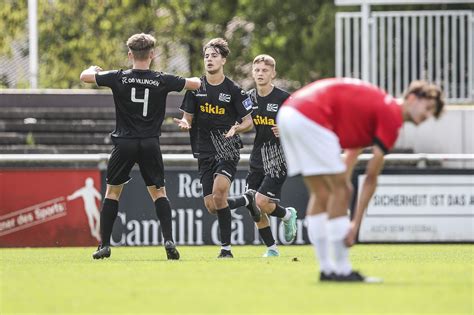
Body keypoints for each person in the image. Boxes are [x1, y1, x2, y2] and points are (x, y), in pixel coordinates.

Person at [277, 78, 444, 282]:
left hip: (289, 113)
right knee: (340, 190)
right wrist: (355, 225)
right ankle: (342, 269)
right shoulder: (391, 115)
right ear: (411, 98)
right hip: (310, 116)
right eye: (427, 108)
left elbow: (349, 160)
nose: (427, 116)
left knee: (322, 193)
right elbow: (371, 178)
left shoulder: (374, 112)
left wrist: (343, 200)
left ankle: (327, 270)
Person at [79, 33, 201, 260]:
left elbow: (85, 77)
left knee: (112, 193)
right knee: (159, 193)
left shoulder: (118, 77)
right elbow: (195, 83)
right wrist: (195, 78)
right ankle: (168, 240)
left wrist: (94, 69)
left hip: (124, 143)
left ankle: (104, 245)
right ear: (152, 54)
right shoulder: (162, 79)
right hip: (149, 143)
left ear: (129, 54)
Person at [174, 38, 253, 258]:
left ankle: (226, 249)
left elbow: (249, 121)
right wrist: (185, 123)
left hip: (227, 148)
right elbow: (187, 117)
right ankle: (247, 200)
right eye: (207, 56)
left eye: (214, 55)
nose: (209, 59)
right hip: (204, 150)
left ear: (223, 60)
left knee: (220, 195)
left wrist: (236, 130)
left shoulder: (234, 90)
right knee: (211, 205)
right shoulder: (195, 88)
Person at [226, 54, 297, 257]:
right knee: (254, 207)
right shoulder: (249, 98)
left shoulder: (284, 98)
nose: (260, 73)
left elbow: (302, 123)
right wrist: (233, 128)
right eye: (257, 70)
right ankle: (272, 249)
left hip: (278, 158)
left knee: (261, 201)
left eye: (265, 70)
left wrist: (287, 130)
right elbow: (241, 120)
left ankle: (287, 214)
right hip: (257, 158)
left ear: (273, 73)